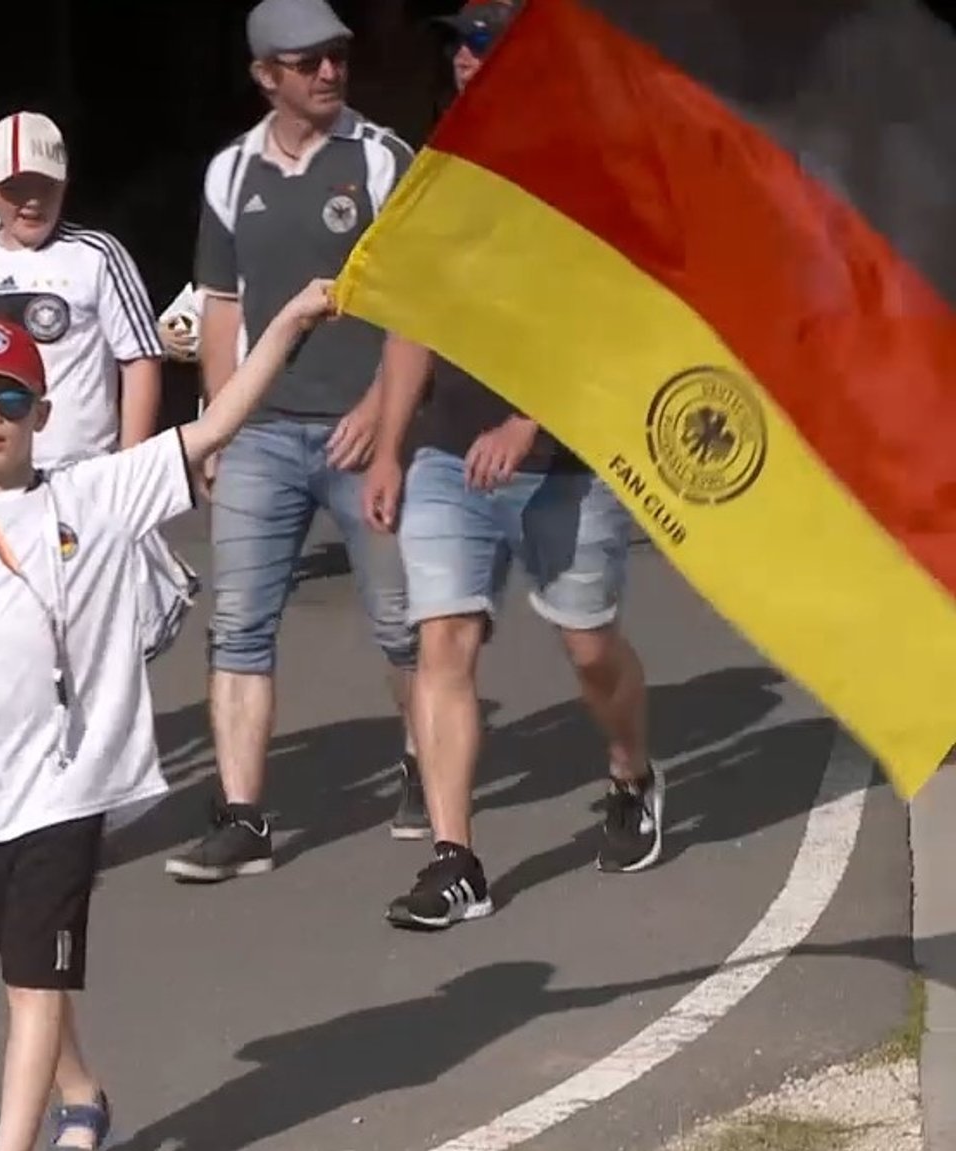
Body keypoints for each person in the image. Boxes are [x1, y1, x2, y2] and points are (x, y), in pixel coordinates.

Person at [0, 279, 343, 1151]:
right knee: (23, 971)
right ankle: (83, 1094)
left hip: (70, 787)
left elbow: (213, 427)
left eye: (10, 397)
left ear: (42, 411)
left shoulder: (95, 493)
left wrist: (289, 321)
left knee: (32, 983)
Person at [360, 0, 661, 931]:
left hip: (564, 453)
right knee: (443, 639)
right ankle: (458, 861)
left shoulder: (583, 172)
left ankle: (631, 773)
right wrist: (388, 445)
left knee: (587, 644)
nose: (463, 59)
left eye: (484, 45)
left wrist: (529, 421)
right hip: (450, 446)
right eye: (456, 44)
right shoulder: (439, 173)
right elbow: (416, 314)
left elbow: (605, 317)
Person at [165, 0, 434, 885]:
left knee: (400, 620)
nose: (328, 72)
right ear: (265, 75)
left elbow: (416, 302)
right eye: (308, 60)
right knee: (238, 623)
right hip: (263, 437)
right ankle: (242, 817)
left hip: (365, 432)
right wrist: (214, 427)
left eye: (337, 57)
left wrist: (382, 411)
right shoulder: (230, 172)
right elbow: (223, 304)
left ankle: (424, 763)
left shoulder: (382, 159)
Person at [0, 110, 167, 491]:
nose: (32, 201)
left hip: (81, 477)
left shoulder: (97, 254)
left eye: (45, 185)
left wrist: (129, 471)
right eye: (15, 188)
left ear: (65, 184)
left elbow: (140, 361)